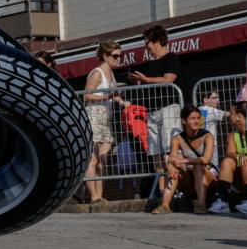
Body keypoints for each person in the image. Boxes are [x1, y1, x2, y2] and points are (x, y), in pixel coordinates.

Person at [125, 26, 182, 158]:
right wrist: (139, 81)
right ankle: (161, 178)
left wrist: (146, 79)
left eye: (147, 43)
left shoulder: (171, 58)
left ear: (156, 41)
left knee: (170, 150)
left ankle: (174, 178)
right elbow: (150, 82)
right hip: (152, 111)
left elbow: (169, 79)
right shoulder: (151, 63)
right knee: (155, 152)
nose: (146, 47)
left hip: (168, 108)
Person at [83, 40, 125, 205]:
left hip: (105, 117)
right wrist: (106, 97)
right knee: (92, 159)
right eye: (115, 56)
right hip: (93, 116)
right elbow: (87, 95)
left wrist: (123, 102)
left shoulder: (111, 74)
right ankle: (94, 196)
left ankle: (100, 196)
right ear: (105, 55)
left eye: (120, 56)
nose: (118, 59)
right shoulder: (97, 73)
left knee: (103, 159)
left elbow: (112, 94)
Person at [153, 106, 215, 214]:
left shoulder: (207, 136)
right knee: (173, 170)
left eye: (198, 118)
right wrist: (171, 166)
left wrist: (185, 161)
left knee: (198, 166)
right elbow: (172, 158)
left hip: (208, 178)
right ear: (183, 121)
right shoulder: (177, 139)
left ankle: (201, 205)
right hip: (190, 181)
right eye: (193, 118)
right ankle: (165, 205)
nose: (197, 121)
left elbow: (206, 159)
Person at [207, 102, 247, 214]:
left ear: (238, 116)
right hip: (241, 178)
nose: (229, 115)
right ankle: (222, 201)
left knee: (246, 162)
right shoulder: (233, 135)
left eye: (231, 113)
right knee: (227, 161)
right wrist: (240, 156)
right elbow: (230, 152)